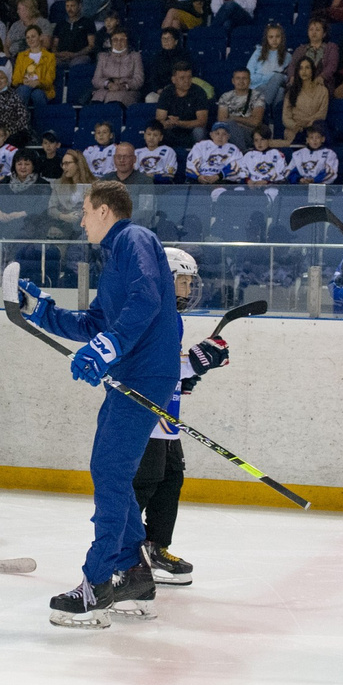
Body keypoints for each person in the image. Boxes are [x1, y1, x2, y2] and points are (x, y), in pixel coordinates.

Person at [17, 180, 181, 628]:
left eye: (86, 212)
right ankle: (132, 575)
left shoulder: (134, 238)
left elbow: (146, 298)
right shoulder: (114, 259)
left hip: (143, 374)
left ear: (106, 210)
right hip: (129, 374)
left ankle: (97, 584)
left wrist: (108, 347)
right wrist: (42, 312)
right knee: (109, 470)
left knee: (110, 471)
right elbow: (96, 323)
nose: (82, 220)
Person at [119, 247, 235, 587]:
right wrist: (193, 362)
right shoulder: (147, 313)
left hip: (166, 418)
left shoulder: (173, 317)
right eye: (182, 281)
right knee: (144, 484)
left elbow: (170, 367)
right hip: (143, 416)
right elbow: (146, 364)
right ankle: (124, 553)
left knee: (170, 481)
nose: (187, 289)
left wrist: (186, 377)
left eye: (188, 282)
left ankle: (156, 549)